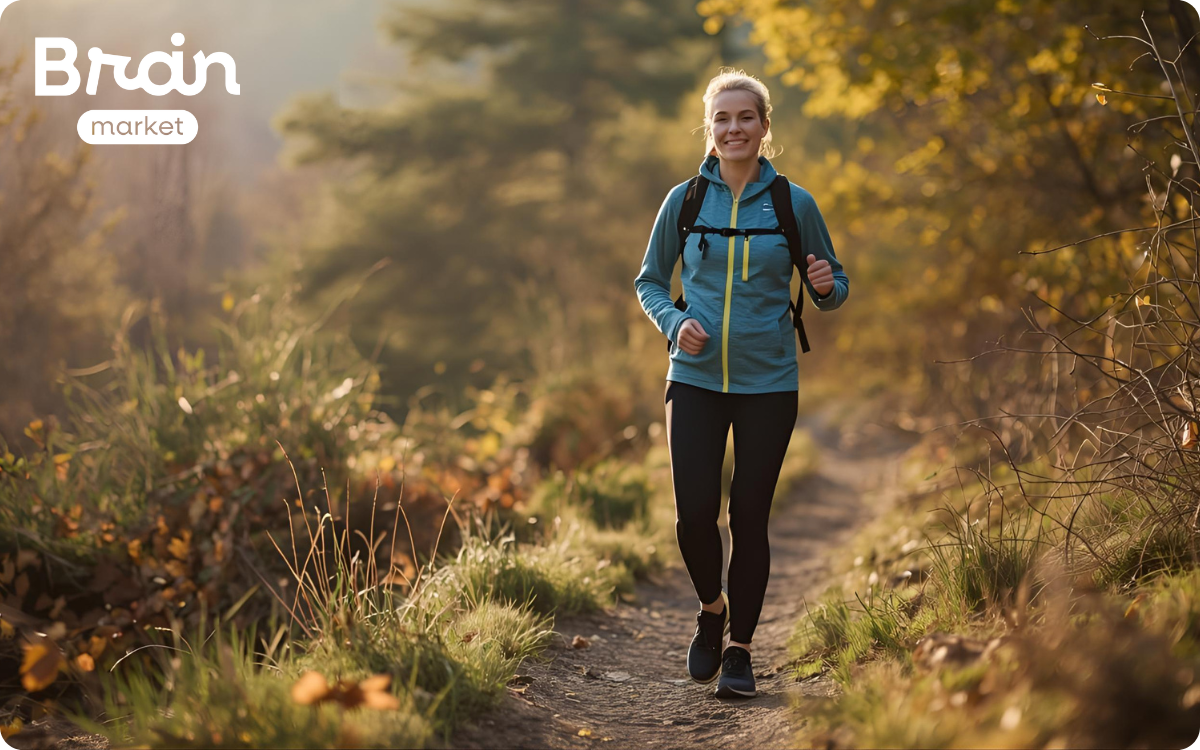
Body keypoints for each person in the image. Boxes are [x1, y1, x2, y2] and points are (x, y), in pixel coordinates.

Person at [633, 68, 849, 699]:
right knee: (693, 515)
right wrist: (675, 323)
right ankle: (711, 608)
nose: (734, 129)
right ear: (710, 128)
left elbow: (831, 284)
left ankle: (741, 651)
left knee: (749, 517)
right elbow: (649, 281)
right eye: (722, 119)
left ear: (764, 126)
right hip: (694, 379)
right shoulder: (685, 201)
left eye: (745, 118)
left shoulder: (793, 204)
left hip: (769, 383)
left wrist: (826, 287)